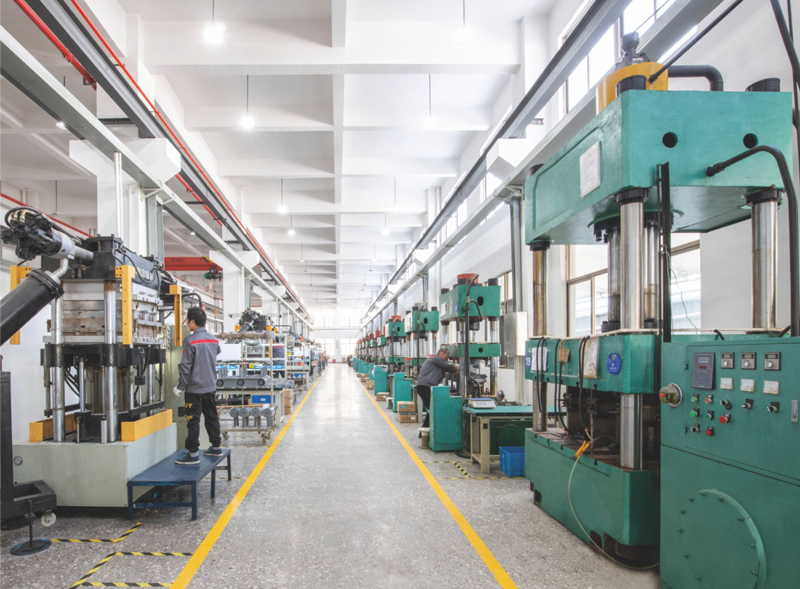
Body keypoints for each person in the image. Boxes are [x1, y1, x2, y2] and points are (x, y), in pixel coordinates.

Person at [173, 307, 222, 465]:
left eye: (187, 321)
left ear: (192, 321)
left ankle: (193, 454)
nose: (187, 324)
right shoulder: (213, 340)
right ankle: (216, 447)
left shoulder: (190, 340)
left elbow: (185, 366)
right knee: (211, 416)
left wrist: (180, 386)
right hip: (210, 386)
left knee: (193, 420)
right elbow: (217, 352)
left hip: (194, 389)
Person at [416, 347, 459, 429]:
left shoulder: (438, 361)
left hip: (426, 387)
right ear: (441, 354)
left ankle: (426, 430)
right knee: (432, 408)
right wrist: (461, 368)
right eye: (447, 356)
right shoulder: (435, 358)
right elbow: (448, 366)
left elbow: (448, 369)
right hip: (424, 387)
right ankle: (425, 430)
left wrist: (454, 371)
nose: (447, 358)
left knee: (432, 408)